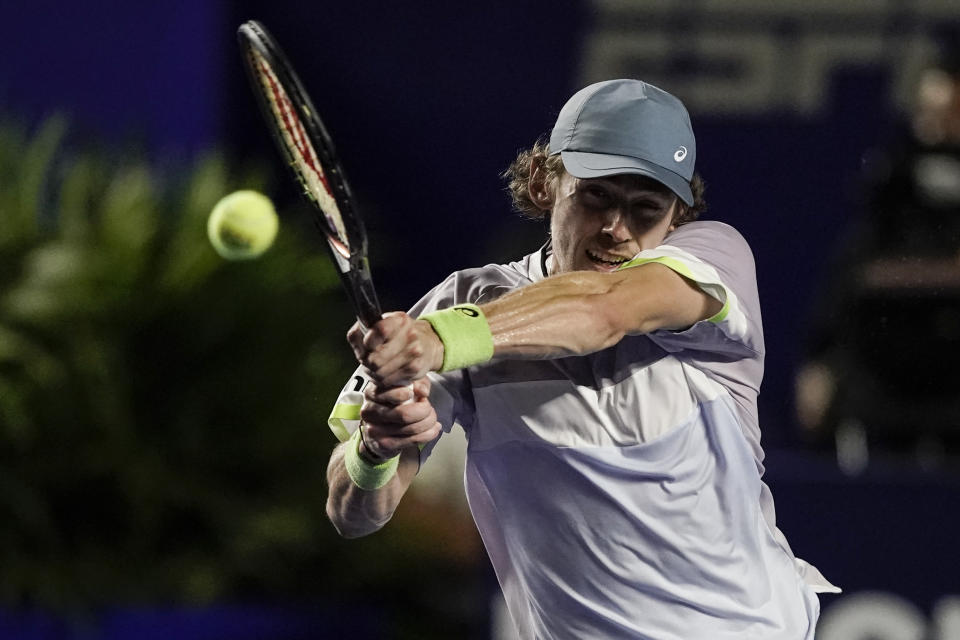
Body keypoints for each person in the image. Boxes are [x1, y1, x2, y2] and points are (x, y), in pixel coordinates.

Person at [325, 79, 838, 639]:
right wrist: (377, 448)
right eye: (596, 196)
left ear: (678, 214)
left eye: (646, 209)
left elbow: (605, 310)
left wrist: (439, 339)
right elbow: (351, 515)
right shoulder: (460, 301)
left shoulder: (716, 262)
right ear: (547, 181)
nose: (617, 229)